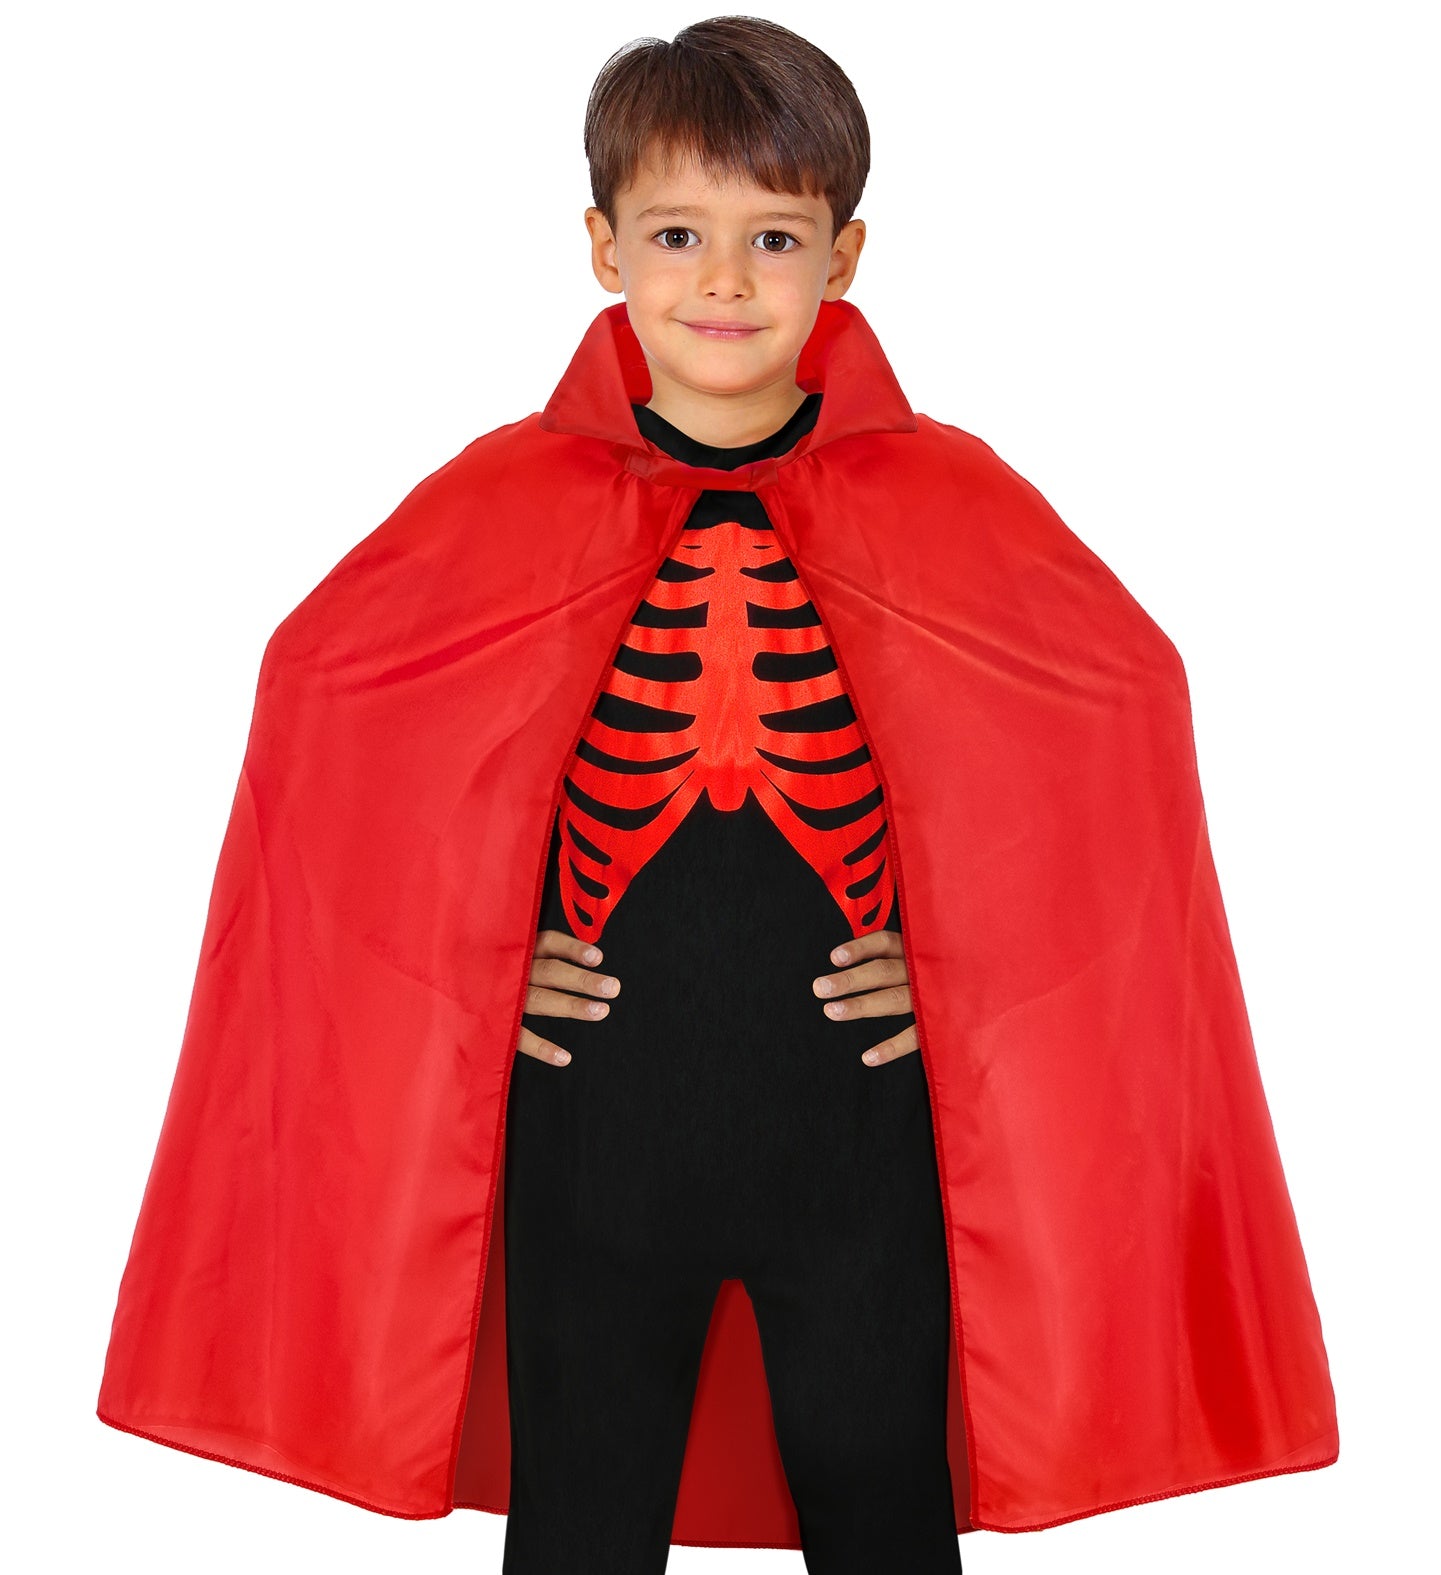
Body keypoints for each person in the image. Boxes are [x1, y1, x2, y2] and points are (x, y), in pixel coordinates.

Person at [96, 14, 1339, 1571]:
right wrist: (476, 964)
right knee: (581, 1511)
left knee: (879, 1500)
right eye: (678, 234)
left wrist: (969, 968)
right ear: (603, 249)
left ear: (844, 257)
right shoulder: (506, 497)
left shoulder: (947, 499)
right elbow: (328, 708)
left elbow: (1117, 720)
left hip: (862, 1113)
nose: (726, 282)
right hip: (591, 1109)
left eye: (775, 238)